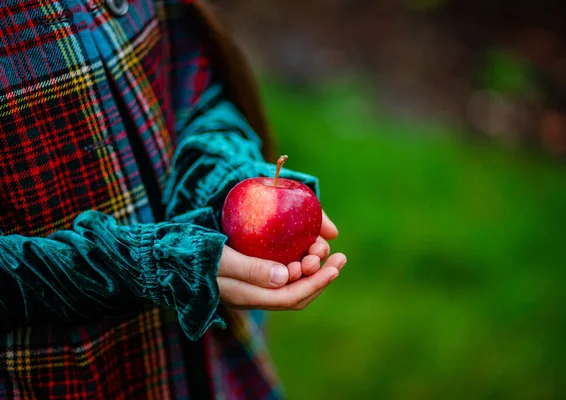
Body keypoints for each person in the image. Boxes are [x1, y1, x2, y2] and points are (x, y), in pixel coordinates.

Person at [0, 1, 347, 398]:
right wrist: (147, 265)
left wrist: (225, 183)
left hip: (199, 361)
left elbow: (193, 90)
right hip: (58, 374)